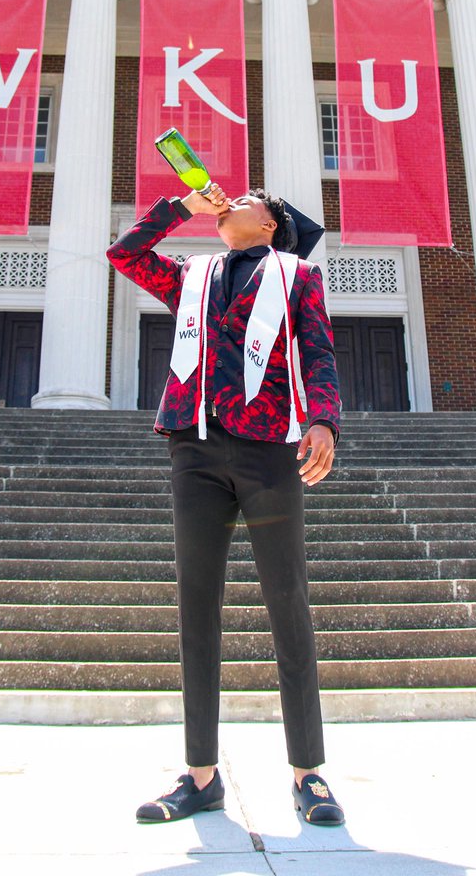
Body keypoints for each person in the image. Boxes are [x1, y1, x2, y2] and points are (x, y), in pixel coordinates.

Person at [107, 182, 345, 827]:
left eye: (245, 198)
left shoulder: (296, 275)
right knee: (196, 609)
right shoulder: (192, 275)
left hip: (270, 447)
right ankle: (201, 776)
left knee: (287, 602)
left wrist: (322, 420)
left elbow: (318, 350)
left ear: (272, 222)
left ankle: (309, 773)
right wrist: (180, 209)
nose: (227, 201)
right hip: (196, 449)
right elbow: (125, 253)